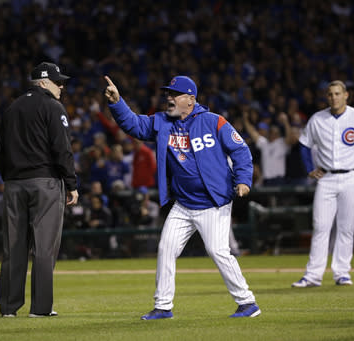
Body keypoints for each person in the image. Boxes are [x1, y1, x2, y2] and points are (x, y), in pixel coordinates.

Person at [105, 75, 261, 319]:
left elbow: (240, 149)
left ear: (190, 99)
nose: (169, 97)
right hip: (184, 203)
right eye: (168, 93)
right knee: (166, 248)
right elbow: (134, 125)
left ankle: (247, 302)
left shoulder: (213, 121)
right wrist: (117, 103)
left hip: (213, 202)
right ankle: (163, 306)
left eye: (175, 94)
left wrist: (243, 180)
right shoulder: (163, 121)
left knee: (218, 251)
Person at [0, 62, 79, 318]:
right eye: (57, 81)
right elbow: (62, 148)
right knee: (44, 248)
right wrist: (71, 183)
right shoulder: (52, 106)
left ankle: (9, 308)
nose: (62, 86)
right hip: (45, 183)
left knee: (14, 246)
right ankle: (40, 309)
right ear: (43, 82)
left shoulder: (11, 108)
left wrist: (10, 178)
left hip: (14, 185)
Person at [292, 80, 354, 288]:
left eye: (337, 94)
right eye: (330, 94)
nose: (334, 98)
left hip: (352, 176)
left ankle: (342, 273)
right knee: (320, 226)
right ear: (326, 97)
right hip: (326, 178)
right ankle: (313, 275)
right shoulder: (317, 119)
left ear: (346, 95)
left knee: (346, 227)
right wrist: (310, 167)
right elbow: (303, 145)